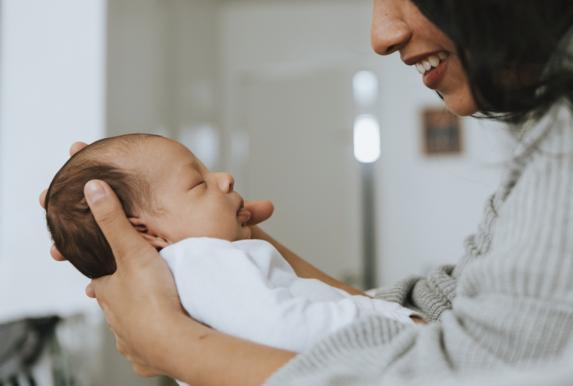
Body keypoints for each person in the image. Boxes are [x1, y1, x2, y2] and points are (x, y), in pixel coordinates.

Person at [40, 0, 573, 385]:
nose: (381, 32)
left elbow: (476, 369)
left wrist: (177, 345)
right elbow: (439, 315)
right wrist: (228, 237)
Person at [43, 134, 415, 362]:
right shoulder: (197, 260)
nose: (224, 178)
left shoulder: (191, 270)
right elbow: (283, 331)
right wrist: (387, 321)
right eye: (198, 183)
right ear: (147, 233)